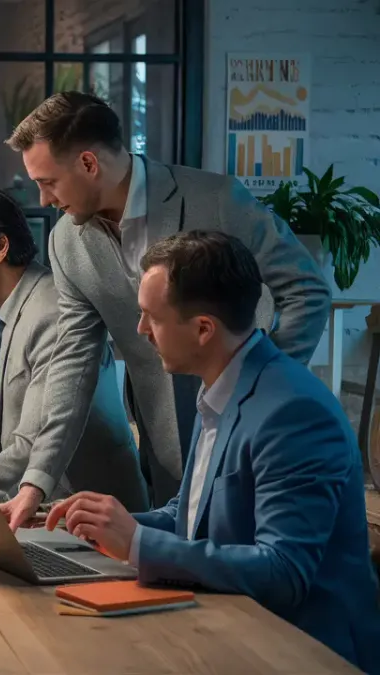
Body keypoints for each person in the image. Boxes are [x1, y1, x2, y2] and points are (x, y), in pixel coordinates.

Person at [44, 231, 380, 672]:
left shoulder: (293, 411)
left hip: (303, 652)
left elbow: (284, 573)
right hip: (234, 625)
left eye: (151, 318)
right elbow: (193, 514)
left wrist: (137, 542)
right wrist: (96, 526)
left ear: (204, 329)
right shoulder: (227, 385)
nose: (141, 331)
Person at [5, 91, 329, 511]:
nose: (45, 200)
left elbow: (307, 289)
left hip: (252, 437)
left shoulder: (217, 200)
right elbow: (72, 362)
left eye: (47, 182)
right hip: (162, 446)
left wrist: (260, 389)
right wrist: (36, 482)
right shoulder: (66, 243)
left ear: (88, 163)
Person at [0, 187, 146, 543]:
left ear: (0, 247)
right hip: (39, 519)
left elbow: (30, 442)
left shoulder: (54, 310)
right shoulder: (7, 311)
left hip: (88, 526)